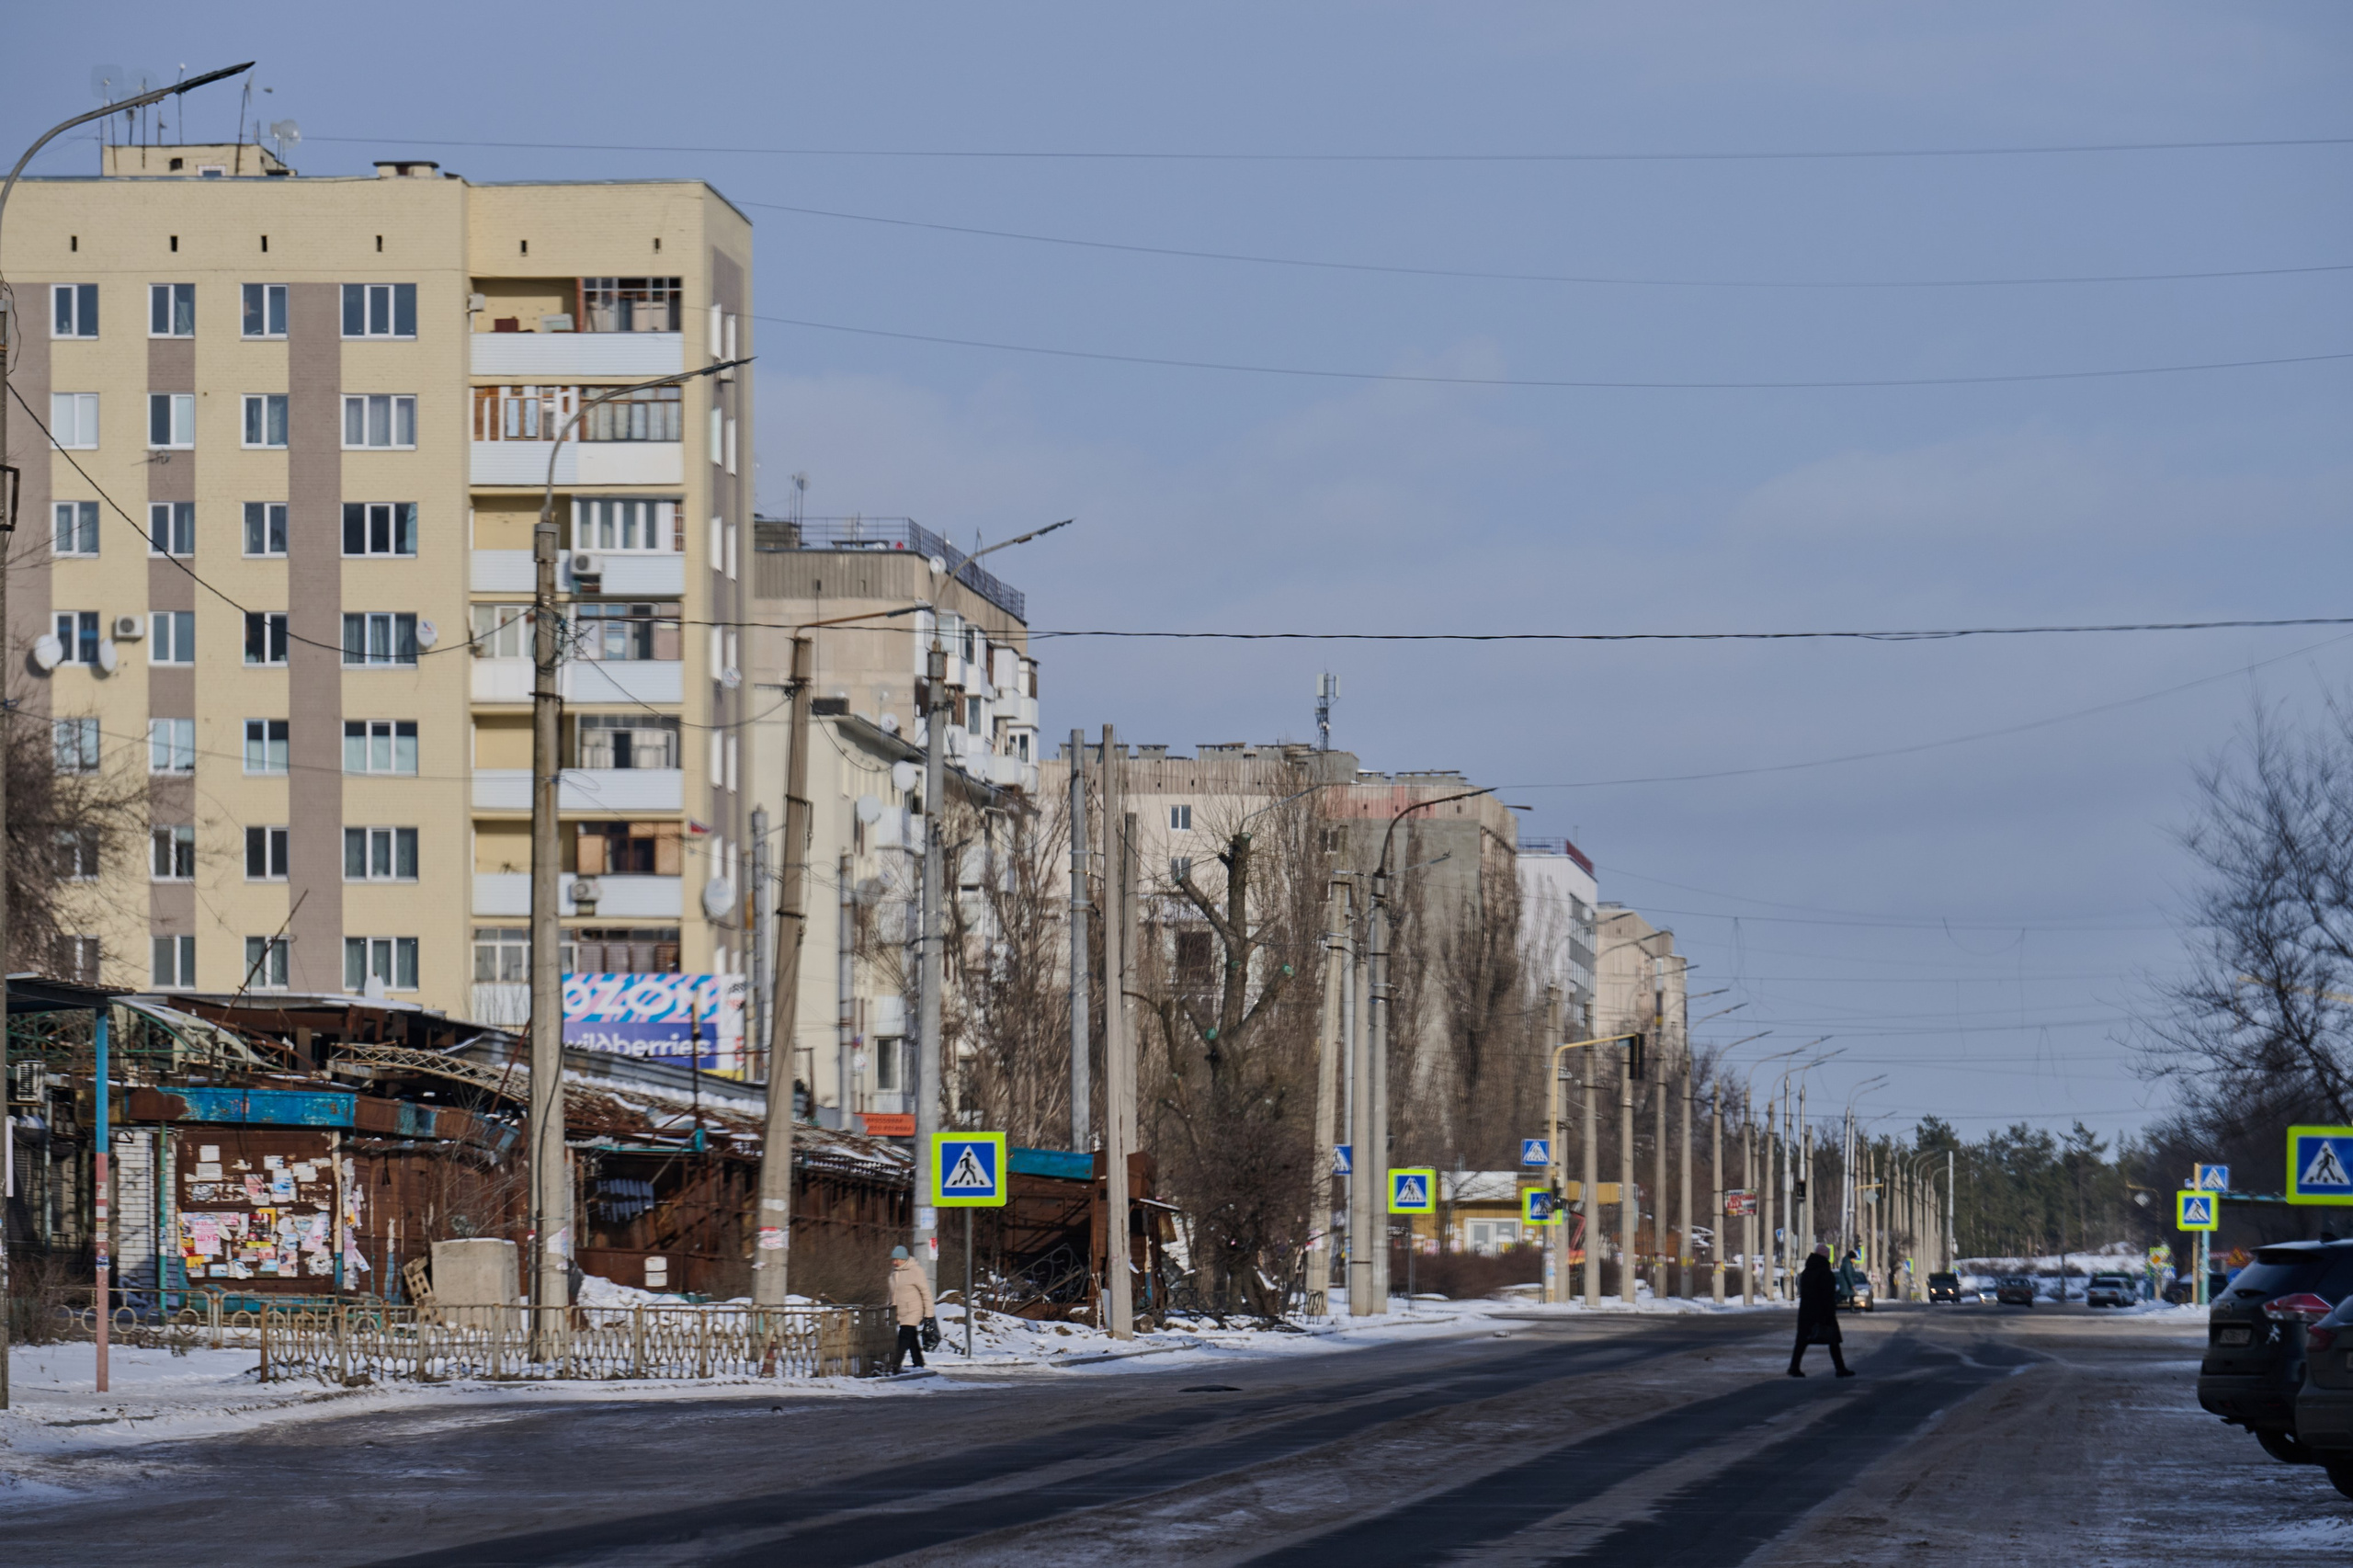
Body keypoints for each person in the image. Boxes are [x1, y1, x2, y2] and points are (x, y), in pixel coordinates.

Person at [1790, 1244, 1855, 1379]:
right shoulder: (1825, 1272)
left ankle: (1794, 1367)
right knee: (1833, 1340)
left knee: (1802, 1340)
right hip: (1822, 1311)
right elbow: (1827, 1295)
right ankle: (1840, 1368)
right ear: (1826, 1256)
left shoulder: (1807, 1272)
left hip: (1806, 1311)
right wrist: (1829, 1312)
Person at [887, 1244, 934, 1374]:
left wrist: (929, 1315)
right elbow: (891, 1293)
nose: (894, 1262)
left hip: (913, 1310)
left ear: (903, 1259)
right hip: (899, 1310)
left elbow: (926, 1293)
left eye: (896, 1259)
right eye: (893, 1259)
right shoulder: (894, 1273)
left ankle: (895, 1365)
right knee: (911, 1337)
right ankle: (918, 1363)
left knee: (904, 1335)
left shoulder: (916, 1271)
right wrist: (889, 1307)